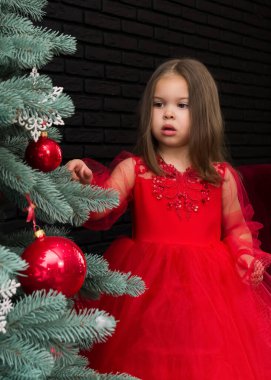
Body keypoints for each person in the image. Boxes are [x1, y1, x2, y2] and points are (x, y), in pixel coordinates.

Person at [67, 58, 271, 380]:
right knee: (144, 358)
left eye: (182, 105)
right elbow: (102, 206)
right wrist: (82, 181)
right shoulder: (135, 169)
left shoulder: (221, 177)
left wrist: (246, 255)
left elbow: (236, 228)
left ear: (204, 112)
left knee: (207, 361)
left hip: (209, 296)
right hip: (146, 294)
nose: (168, 113)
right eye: (159, 104)